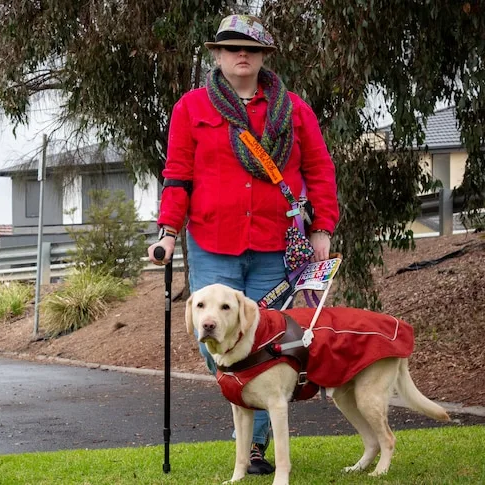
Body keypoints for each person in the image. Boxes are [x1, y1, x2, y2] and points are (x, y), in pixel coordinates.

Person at [147, 14, 339, 475]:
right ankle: (247, 427)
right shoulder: (191, 109)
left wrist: (323, 228)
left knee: (270, 344)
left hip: (278, 245)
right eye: (232, 48)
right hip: (214, 241)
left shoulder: (293, 109)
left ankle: (253, 447)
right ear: (216, 54)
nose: (242, 55)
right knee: (212, 334)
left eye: (251, 49)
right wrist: (168, 233)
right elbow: (177, 177)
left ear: (264, 57)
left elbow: (319, 169)